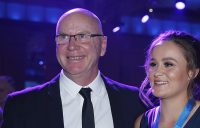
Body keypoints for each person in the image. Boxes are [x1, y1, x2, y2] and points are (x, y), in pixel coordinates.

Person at [2, 8, 146, 128]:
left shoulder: (135, 103)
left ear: (102, 45)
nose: (72, 46)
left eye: (82, 36)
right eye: (63, 37)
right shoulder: (21, 106)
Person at [134, 30, 200, 128]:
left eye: (168, 64)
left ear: (192, 72)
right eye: (153, 64)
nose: (157, 72)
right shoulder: (142, 122)